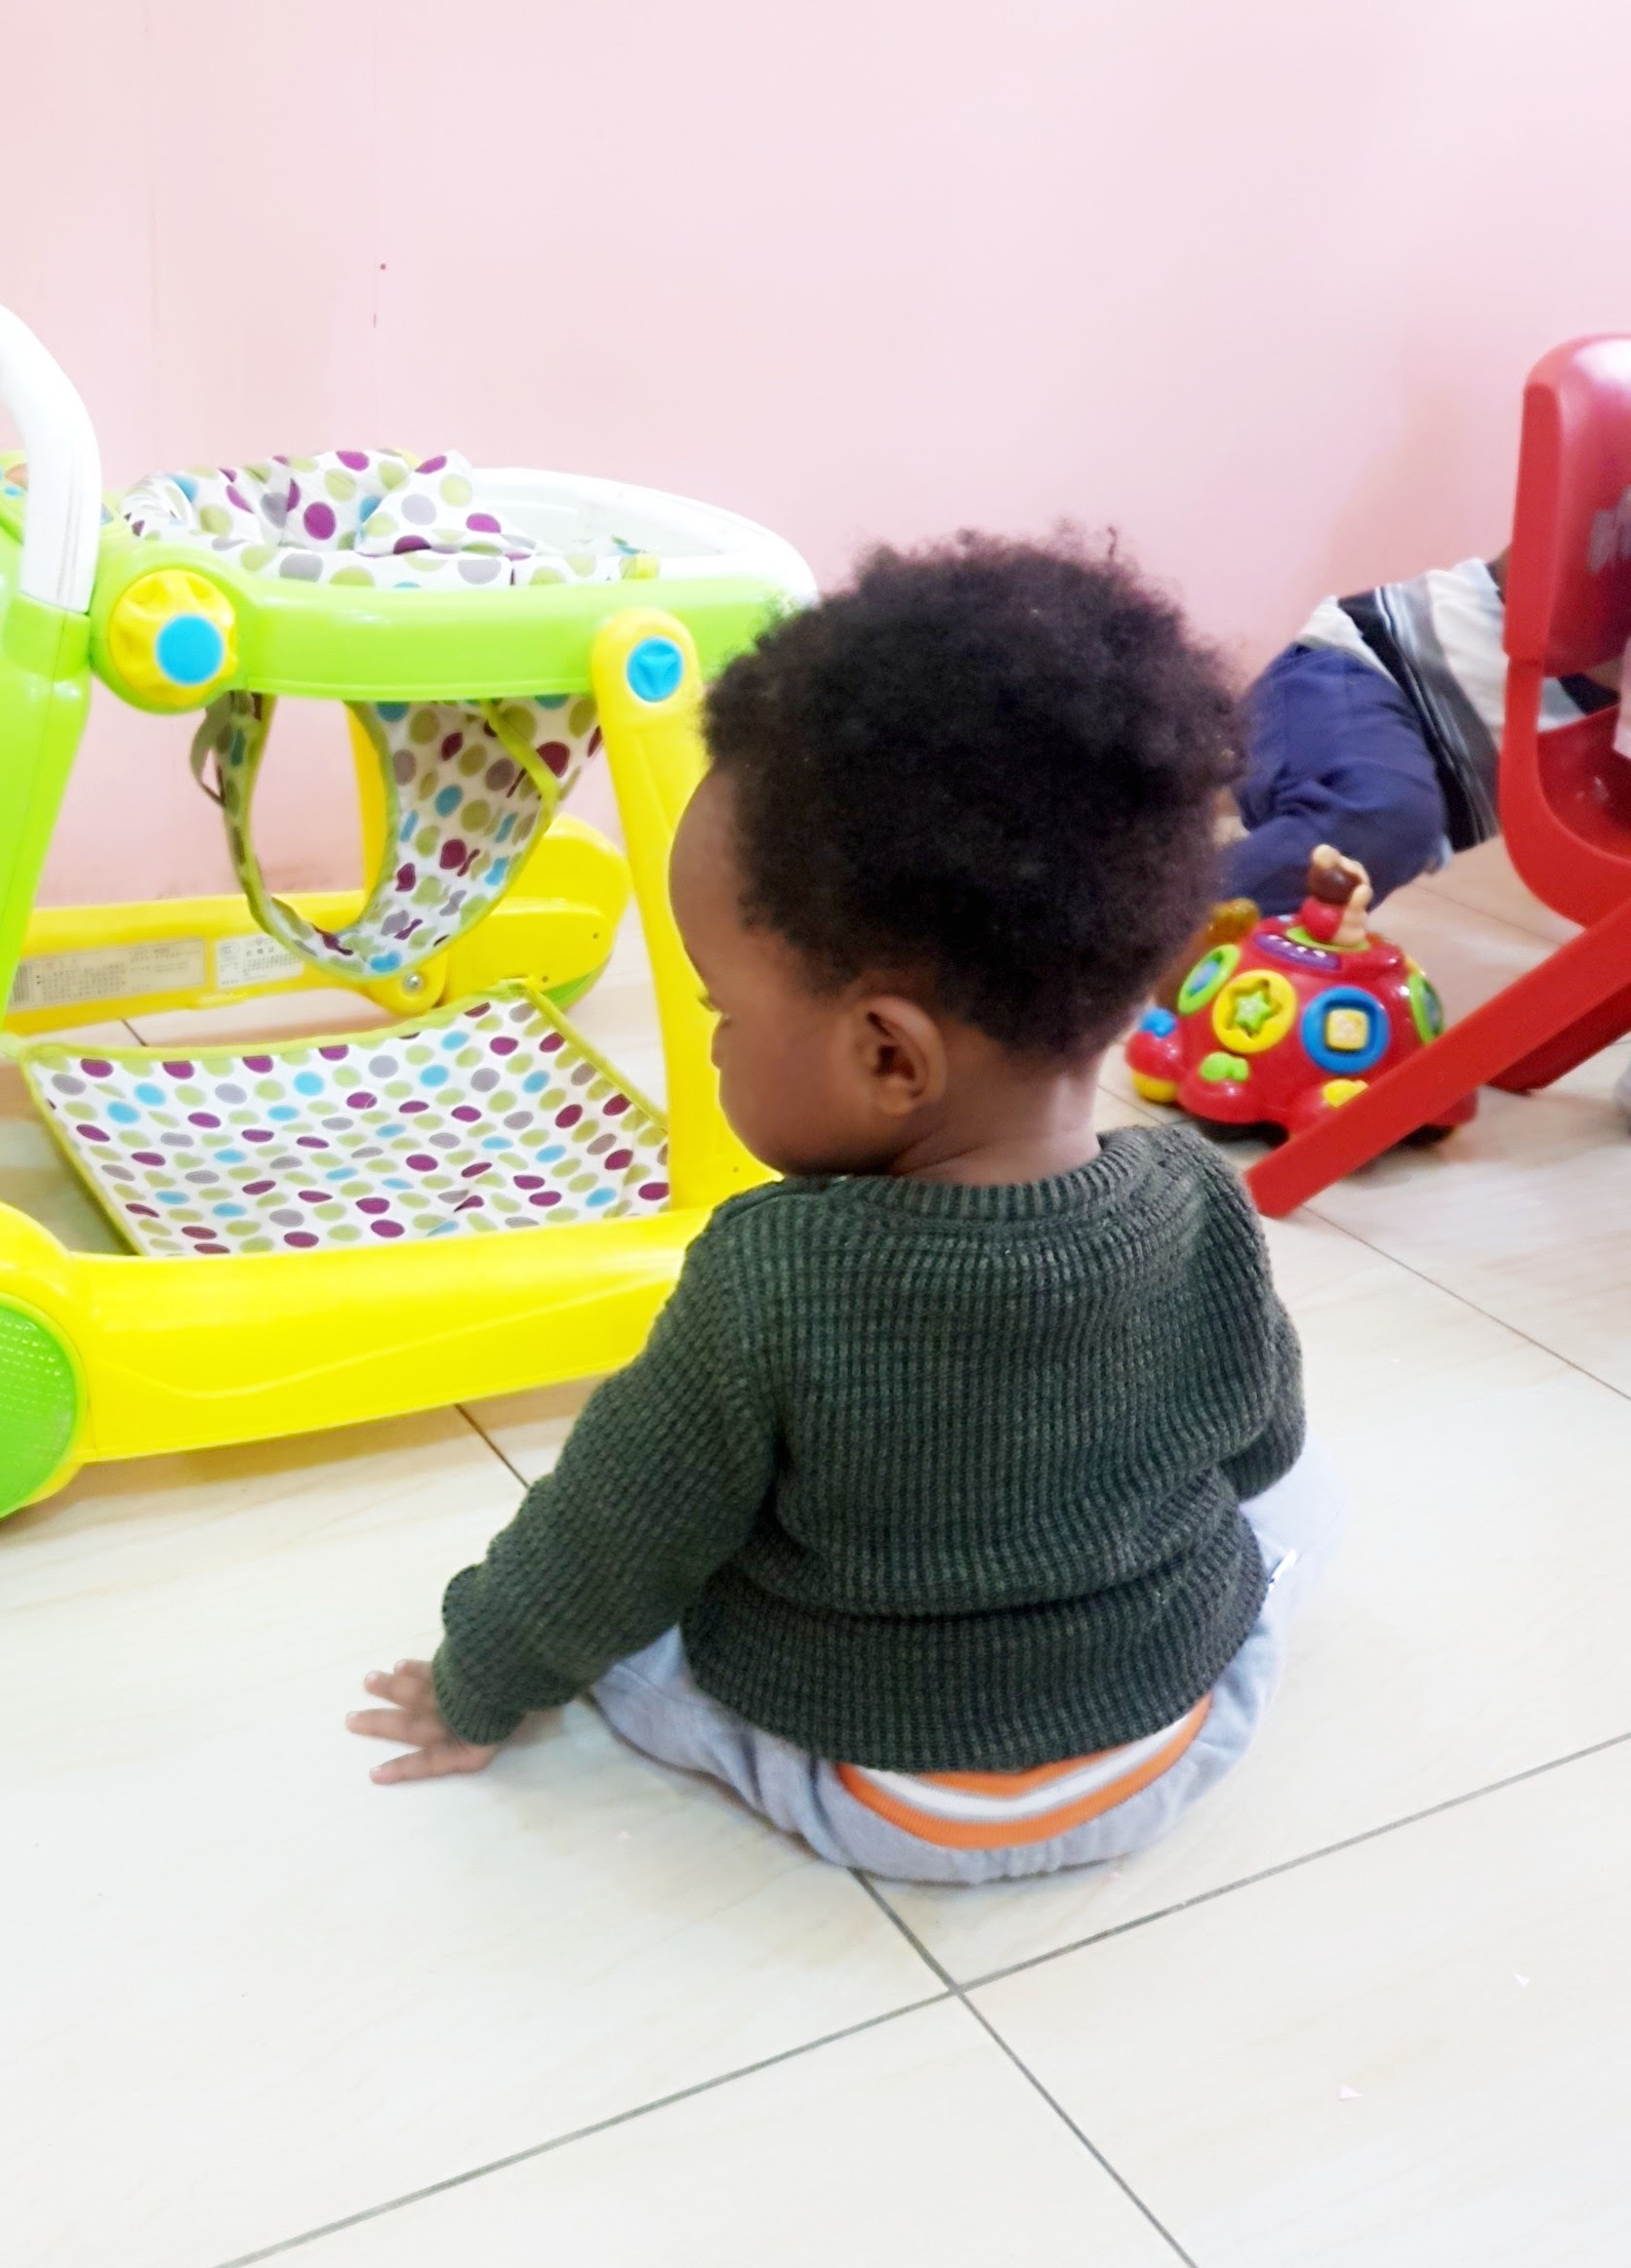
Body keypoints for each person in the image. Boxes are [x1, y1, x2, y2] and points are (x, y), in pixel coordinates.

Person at [346, 539, 1335, 1884]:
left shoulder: (774, 1275)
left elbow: (605, 1539)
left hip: (885, 1792)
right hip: (1175, 1737)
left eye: (719, 1010)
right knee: (1299, 1508)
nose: (708, 1044)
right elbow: (1267, 1445)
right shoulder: (1200, 1196)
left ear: (888, 1057)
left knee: (640, 1630)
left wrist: (478, 1680)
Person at [1225, 549, 1619, 919]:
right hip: (1363, 671)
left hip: (1416, 790)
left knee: (1375, 839)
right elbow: (1545, 555)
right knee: (1382, 819)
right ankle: (1191, 917)